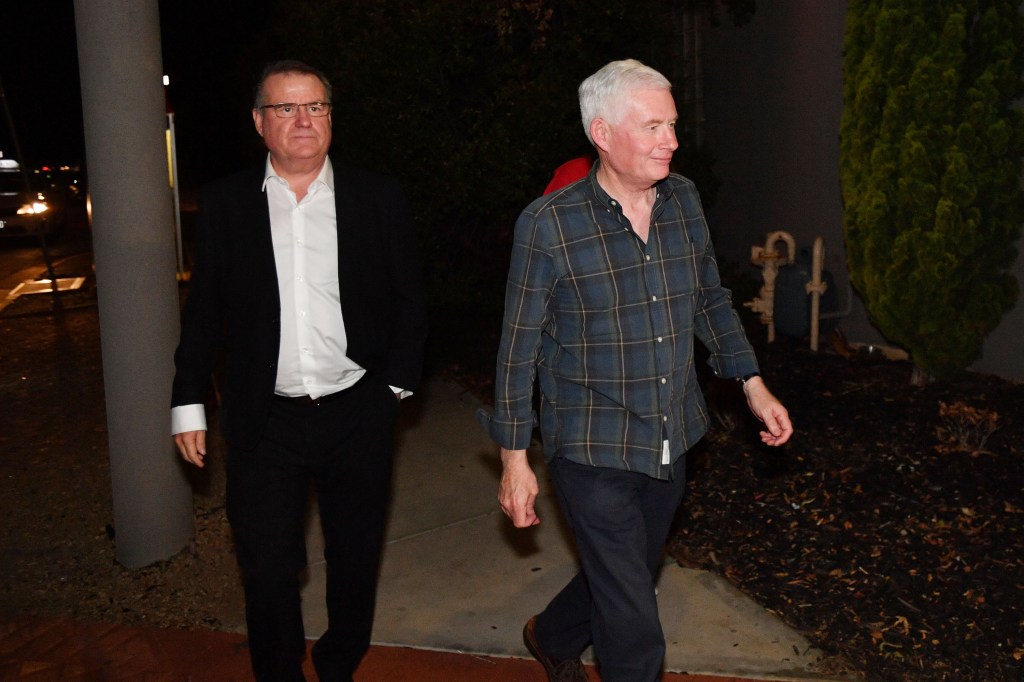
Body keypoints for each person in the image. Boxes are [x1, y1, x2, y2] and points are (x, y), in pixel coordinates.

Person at [477, 59, 792, 681]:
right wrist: (515, 460)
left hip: (671, 434)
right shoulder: (550, 225)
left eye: (671, 124)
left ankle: (553, 632)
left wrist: (751, 384)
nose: (671, 140)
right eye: (652, 126)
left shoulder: (683, 200)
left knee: (625, 572)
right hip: (590, 443)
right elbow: (519, 347)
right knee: (633, 615)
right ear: (602, 132)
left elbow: (710, 298)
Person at [171, 59, 428, 682]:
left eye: (315, 107)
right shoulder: (230, 203)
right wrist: (187, 402)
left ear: (331, 118)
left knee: (354, 556)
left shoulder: (376, 196)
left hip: (357, 411)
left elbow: (410, 296)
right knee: (265, 566)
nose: (303, 120)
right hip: (266, 419)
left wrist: (393, 385)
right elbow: (204, 309)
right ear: (260, 123)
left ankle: (340, 662)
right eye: (286, 108)